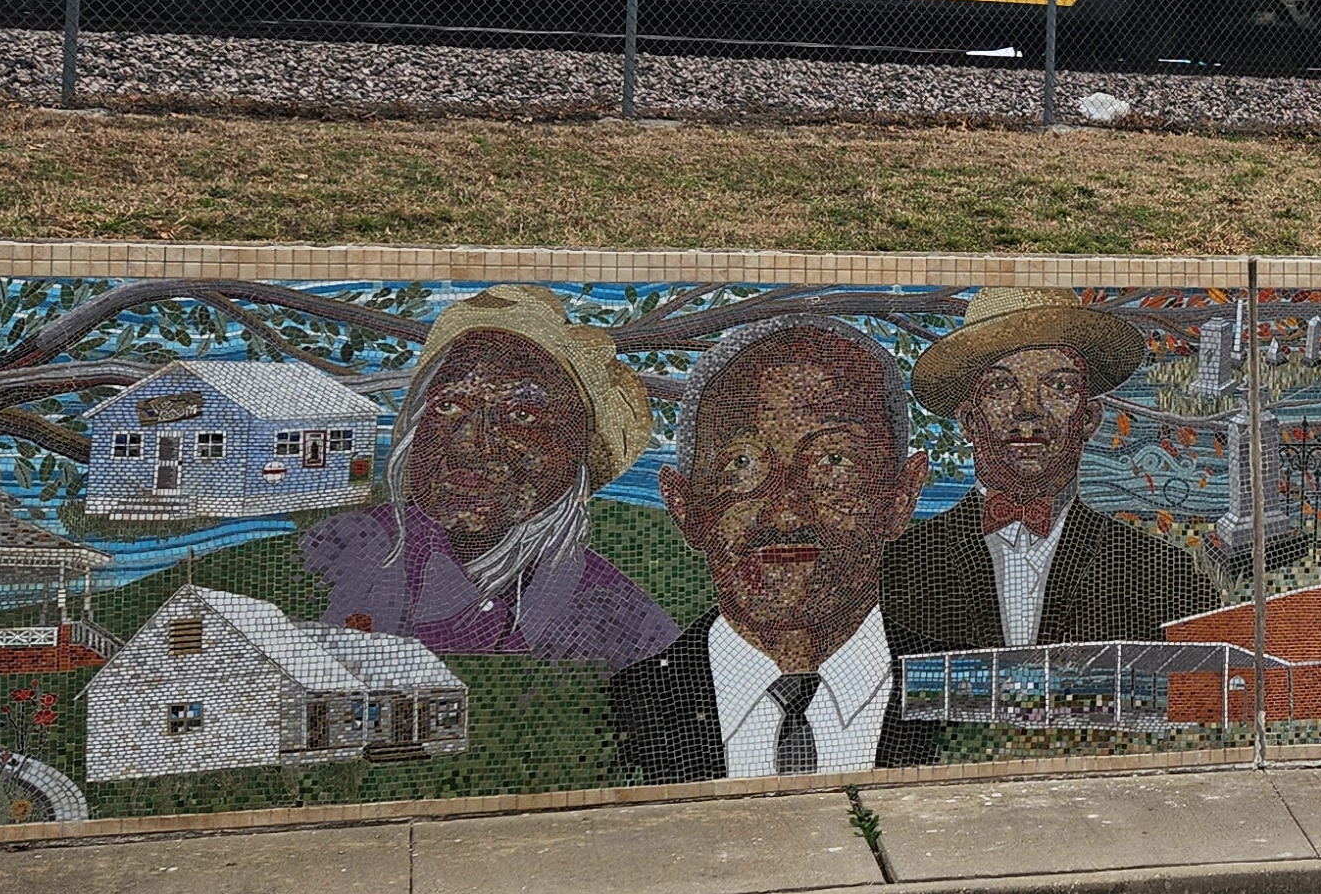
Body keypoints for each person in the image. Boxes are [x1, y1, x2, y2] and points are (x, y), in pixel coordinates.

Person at [604, 316, 944, 779]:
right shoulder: (615, 713)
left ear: (902, 496)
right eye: (741, 464)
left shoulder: (962, 695)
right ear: (685, 508)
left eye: (832, 461)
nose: (786, 512)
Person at [303, 286, 676, 667]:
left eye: (522, 416)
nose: (471, 442)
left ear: (579, 452)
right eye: (449, 406)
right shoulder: (341, 551)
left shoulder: (618, 620)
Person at [887, 287, 1213, 653]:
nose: (1028, 410)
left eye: (1059, 386)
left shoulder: (1166, 576)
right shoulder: (897, 569)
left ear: (1088, 418)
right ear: (969, 420)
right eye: (1000, 386)